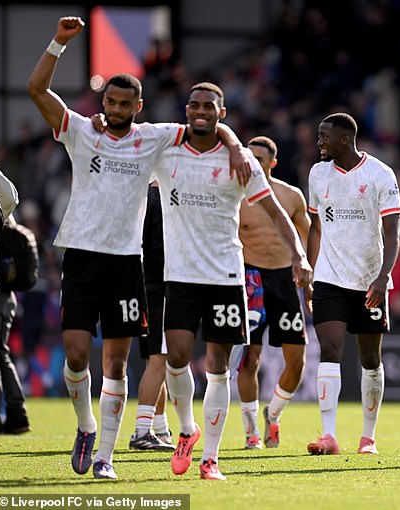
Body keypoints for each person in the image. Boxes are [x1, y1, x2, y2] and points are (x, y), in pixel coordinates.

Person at [27, 16, 251, 480]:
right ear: (102, 102)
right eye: (110, 101)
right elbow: (36, 91)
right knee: (74, 356)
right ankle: (86, 427)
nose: (116, 108)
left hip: (128, 261)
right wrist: (58, 44)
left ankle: (106, 457)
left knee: (114, 361)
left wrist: (232, 145)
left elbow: (205, 120)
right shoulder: (80, 131)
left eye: (125, 103)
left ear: (138, 106)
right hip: (82, 257)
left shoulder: (154, 137)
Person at [157, 82, 312, 480]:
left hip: (227, 275)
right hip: (181, 274)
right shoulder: (166, 149)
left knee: (219, 366)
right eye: (194, 105)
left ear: (222, 112)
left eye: (210, 106)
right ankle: (188, 430)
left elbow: (279, 214)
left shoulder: (243, 165)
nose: (201, 111)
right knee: (176, 360)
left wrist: (299, 255)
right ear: (186, 109)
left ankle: (211, 458)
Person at [305, 113, 400, 456]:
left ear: (344, 140)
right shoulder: (318, 174)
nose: (319, 143)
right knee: (329, 350)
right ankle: (329, 436)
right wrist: (309, 269)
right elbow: (315, 227)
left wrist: (383, 276)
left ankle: (368, 436)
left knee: (370, 359)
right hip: (329, 278)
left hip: (369, 282)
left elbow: (392, 232)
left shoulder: (380, 174)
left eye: (324, 137)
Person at [233, 135, 311, 450]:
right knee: (249, 358)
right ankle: (251, 431)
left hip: (285, 279)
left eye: (259, 160)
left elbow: (310, 239)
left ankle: (273, 415)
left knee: (296, 362)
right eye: (248, 158)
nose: (252, 164)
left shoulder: (291, 197)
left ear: (272, 163)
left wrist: (313, 280)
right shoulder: (234, 197)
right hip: (249, 279)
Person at [128, 182, 175, 451]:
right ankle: (143, 431)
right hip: (162, 284)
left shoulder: (137, 192)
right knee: (161, 359)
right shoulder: (162, 194)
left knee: (154, 360)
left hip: (142, 283)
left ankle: (160, 428)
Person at [0, 169, 21, 434]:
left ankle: (3, 413)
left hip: (0, 294)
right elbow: (10, 197)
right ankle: (14, 411)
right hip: (2, 293)